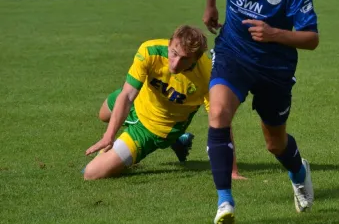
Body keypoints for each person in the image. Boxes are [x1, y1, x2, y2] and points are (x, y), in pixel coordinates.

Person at [202, 0, 319, 224]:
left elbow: (312, 39)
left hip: (274, 69)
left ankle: (299, 172)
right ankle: (225, 200)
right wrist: (211, 1)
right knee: (218, 115)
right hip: (233, 54)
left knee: (275, 144)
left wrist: (274, 34)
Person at [83, 25, 245, 180]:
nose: (175, 63)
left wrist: (231, 171)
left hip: (154, 129)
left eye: (184, 59)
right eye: (174, 53)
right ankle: (179, 142)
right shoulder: (150, 51)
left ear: (197, 58)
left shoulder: (209, 75)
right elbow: (126, 96)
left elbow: (220, 120)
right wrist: (109, 136)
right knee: (104, 114)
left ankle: (171, 140)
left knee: (91, 173)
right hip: (138, 101)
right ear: (169, 44)